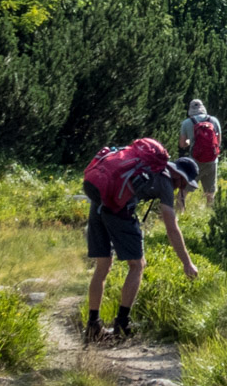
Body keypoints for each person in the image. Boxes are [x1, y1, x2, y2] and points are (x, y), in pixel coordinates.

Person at [81, 137, 200, 343]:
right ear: (180, 177)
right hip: (118, 212)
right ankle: (122, 324)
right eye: (185, 185)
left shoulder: (145, 165)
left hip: (98, 204)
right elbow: (171, 227)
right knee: (137, 265)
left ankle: (93, 326)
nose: (182, 189)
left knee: (103, 266)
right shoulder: (164, 181)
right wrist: (187, 263)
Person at [179, 98, 224, 210]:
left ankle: (179, 214)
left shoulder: (186, 123)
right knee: (210, 192)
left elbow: (182, 144)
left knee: (184, 191)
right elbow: (218, 142)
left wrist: (190, 142)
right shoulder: (214, 120)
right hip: (212, 161)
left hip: (194, 162)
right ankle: (209, 215)